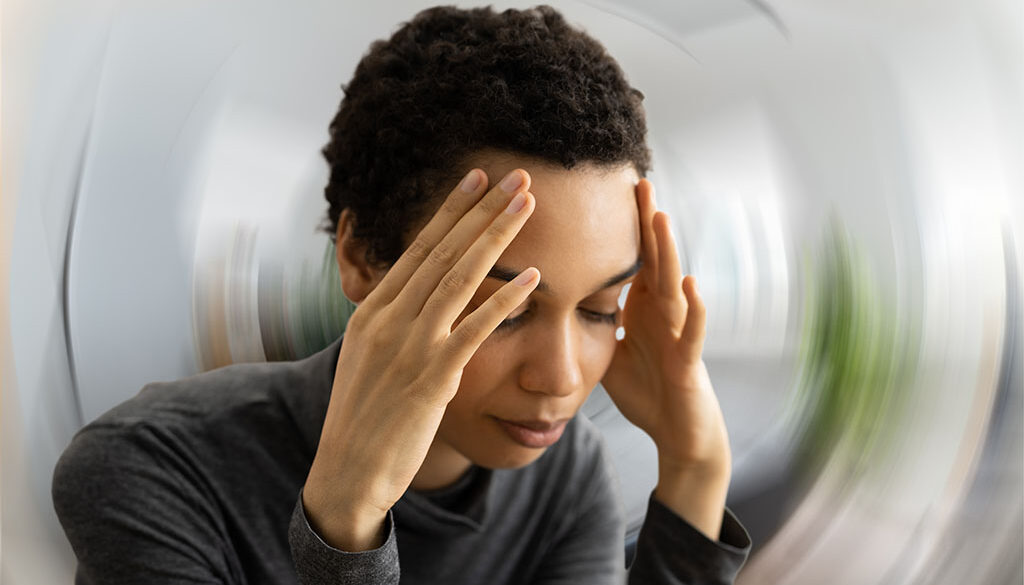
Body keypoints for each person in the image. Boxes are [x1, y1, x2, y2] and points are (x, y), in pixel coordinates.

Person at [52, 5, 751, 584]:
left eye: (601, 310)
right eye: (496, 308)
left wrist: (695, 467)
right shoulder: (152, 469)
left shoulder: (564, 480)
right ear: (359, 256)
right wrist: (344, 522)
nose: (563, 378)